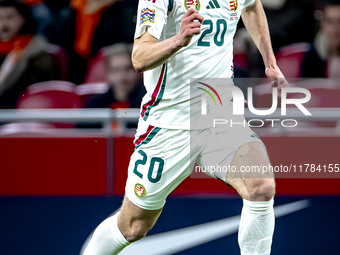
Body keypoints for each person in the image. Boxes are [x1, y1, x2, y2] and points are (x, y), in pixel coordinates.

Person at [84, 0, 288, 254]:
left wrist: (269, 61)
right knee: (133, 226)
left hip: (220, 117)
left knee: (261, 187)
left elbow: (252, 5)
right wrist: (177, 39)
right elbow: (139, 57)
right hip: (169, 125)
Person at [0, 0, 61, 109]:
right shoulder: (3, 50)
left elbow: (37, 91)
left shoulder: (38, 52)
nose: (3, 24)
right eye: (0, 18)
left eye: (10, 17)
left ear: (24, 19)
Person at [301, 0, 340, 78]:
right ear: (323, 24)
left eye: (339, 22)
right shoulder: (312, 56)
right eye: (330, 22)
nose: (335, 28)